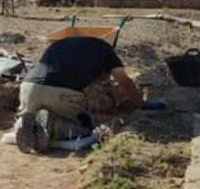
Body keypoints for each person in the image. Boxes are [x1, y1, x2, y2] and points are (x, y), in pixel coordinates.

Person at [15, 35, 143, 153]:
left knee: (36, 113)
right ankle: (51, 127)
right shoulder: (105, 48)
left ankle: (24, 123)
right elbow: (125, 83)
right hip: (61, 93)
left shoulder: (58, 44)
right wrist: (142, 105)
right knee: (86, 128)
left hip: (28, 88)